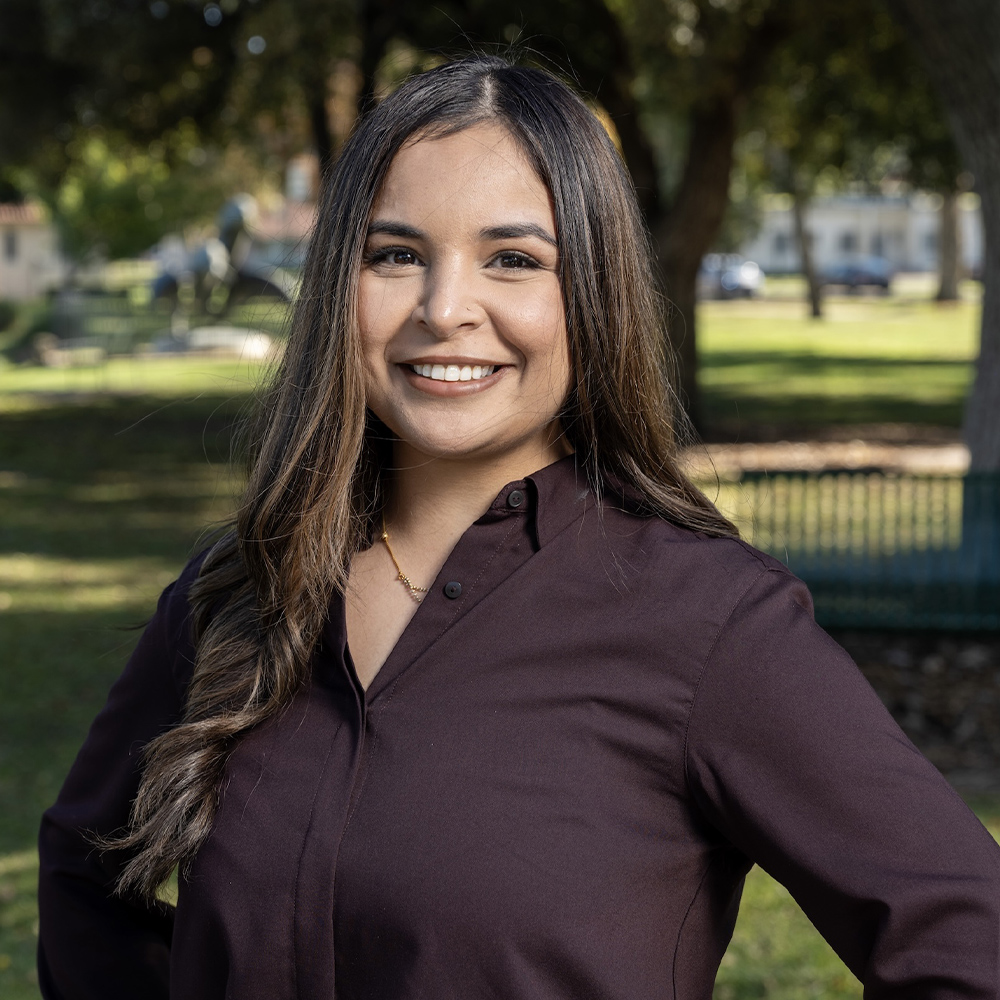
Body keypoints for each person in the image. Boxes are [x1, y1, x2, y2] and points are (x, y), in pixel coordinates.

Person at [38, 55, 1000, 1000]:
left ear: (592, 292)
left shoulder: (708, 623)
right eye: (397, 254)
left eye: (513, 260)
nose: (445, 309)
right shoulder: (240, 587)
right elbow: (86, 879)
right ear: (342, 285)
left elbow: (966, 943)